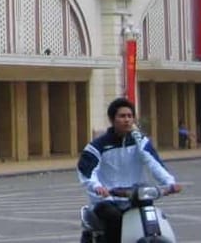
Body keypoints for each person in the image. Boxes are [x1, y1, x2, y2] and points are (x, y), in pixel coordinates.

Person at [77, 97, 181, 243]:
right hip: (108, 199)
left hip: (135, 196)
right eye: (122, 116)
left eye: (130, 116)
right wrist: (97, 187)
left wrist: (170, 183)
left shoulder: (140, 142)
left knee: (150, 216)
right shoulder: (97, 146)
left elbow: (154, 163)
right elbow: (87, 171)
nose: (127, 120)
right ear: (112, 119)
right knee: (114, 218)